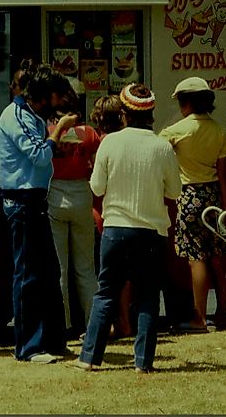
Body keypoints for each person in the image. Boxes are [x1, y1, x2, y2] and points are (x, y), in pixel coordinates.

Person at [73, 83, 182, 373]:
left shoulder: (110, 143)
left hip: (116, 228)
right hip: (152, 231)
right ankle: (143, 362)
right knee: (147, 296)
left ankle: (89, 357)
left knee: (106, 292)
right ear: (151, 113)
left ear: (124, 113)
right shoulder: (162, 146)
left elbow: (97, 186)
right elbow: (174, 191)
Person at [0, 62, 79, 364]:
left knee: (48, 273)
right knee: (28, 276)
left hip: (35, 201)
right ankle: (29, 347)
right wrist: (60, 131)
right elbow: (40, 156)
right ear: (46, 96)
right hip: (21, 202)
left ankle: (54, 341)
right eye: (59, 95)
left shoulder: (31, 115)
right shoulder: (17, 117)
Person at [159, 76, 226, 332]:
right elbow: (223, 174)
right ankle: (222, 313)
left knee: (196, 257)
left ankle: (199, 317)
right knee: (218, 257)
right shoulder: (219, 130)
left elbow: (159, 155)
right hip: (213, 195)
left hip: (189, 194)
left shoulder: (175, 131)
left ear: (187, 102)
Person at [47, 85, 101, 337]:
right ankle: (93, 322)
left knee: (60, 267)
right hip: (82, 193)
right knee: (86, 267)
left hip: (55, 192)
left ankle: (63, 323)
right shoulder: (89, 134)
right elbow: (97, 163)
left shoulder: (49, 132)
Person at [89, 94, 133, 339]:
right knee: (125, 274)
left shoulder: (99, 143)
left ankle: (112, 324)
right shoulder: (130, 141)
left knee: (104, 273)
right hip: (127, 212)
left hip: (102, 212)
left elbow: (97, 185)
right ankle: (125, 320)